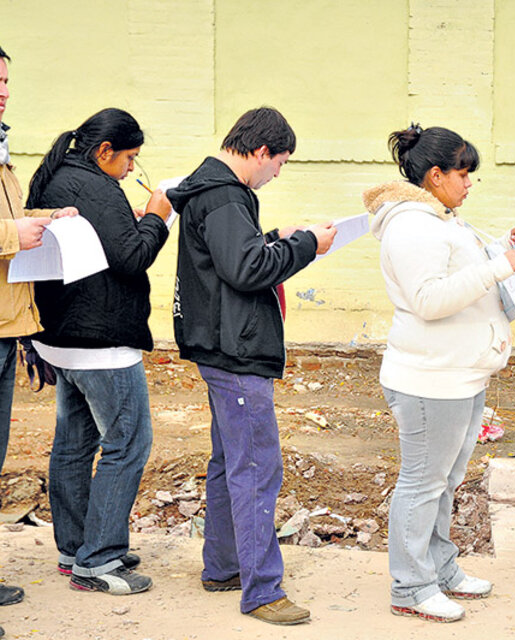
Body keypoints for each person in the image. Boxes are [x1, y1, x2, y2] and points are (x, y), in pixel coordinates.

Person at [168, 107, 336, 626]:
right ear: (260, 152)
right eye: (279, 162)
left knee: (230, 462)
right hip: (236, 351)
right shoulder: (223, 195)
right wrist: (307, 245)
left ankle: (223, 566)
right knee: (258, 468)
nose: (277, 173)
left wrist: (275, 236)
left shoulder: (212, 190)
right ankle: (263, 590)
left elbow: (229, 258)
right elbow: (245, 270)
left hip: (219, 345)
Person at [362, 124, 515, 623]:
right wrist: (499, 266)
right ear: (435, 175)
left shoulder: (442, 219)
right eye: (464, 173)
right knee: (422, 482)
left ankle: (439, 567)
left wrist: (499, 250)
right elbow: (429, 299)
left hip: (459, 375)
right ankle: (412, 586)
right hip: (428, 380)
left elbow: (461, 279)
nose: (469, 182)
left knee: (444, 481)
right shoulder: (413, 225)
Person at [26, 108, 172, 595]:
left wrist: (128, 223)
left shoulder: (55, 177)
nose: (132, 169)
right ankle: (101, 560)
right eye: (129, 158)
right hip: (101, 342)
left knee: (73, 444)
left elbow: (104, 242)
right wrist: (156, 215)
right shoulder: (97, 186)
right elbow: (132, 257)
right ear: (104, 151)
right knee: (128, 442)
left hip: (59, 338)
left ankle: (76, 548)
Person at [0, 43, 77, 634]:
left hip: (7, 327)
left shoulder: (3, 153)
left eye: (6, 80)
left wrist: (42, 221)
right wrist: (11, 232)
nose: (3, 91)